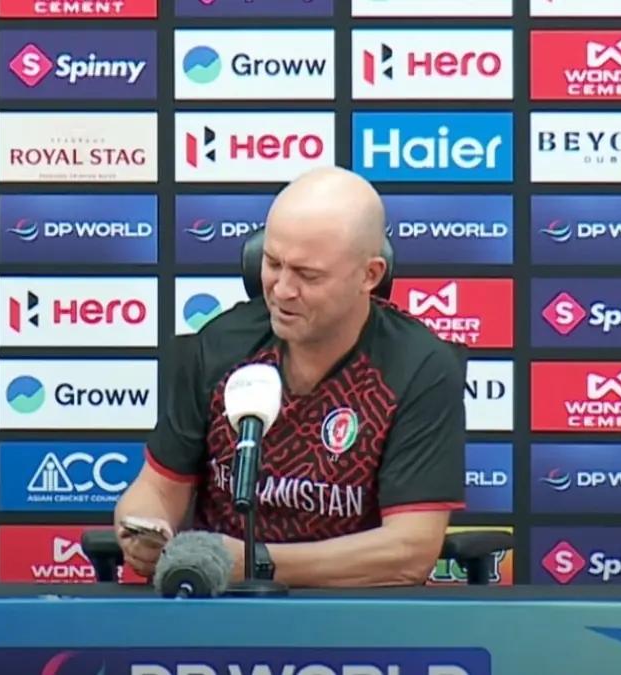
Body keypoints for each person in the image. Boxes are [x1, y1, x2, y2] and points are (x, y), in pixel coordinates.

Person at [114, 166, 466, 588]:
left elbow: (410, 551)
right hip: (215, 605)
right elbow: (156, 489)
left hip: (355, 612)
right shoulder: (219, 346)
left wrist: (253, 563)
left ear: (369, 275)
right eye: (273, 263)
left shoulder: (419, 367)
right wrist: (145, 529)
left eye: (307, 274)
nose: (281, 289)